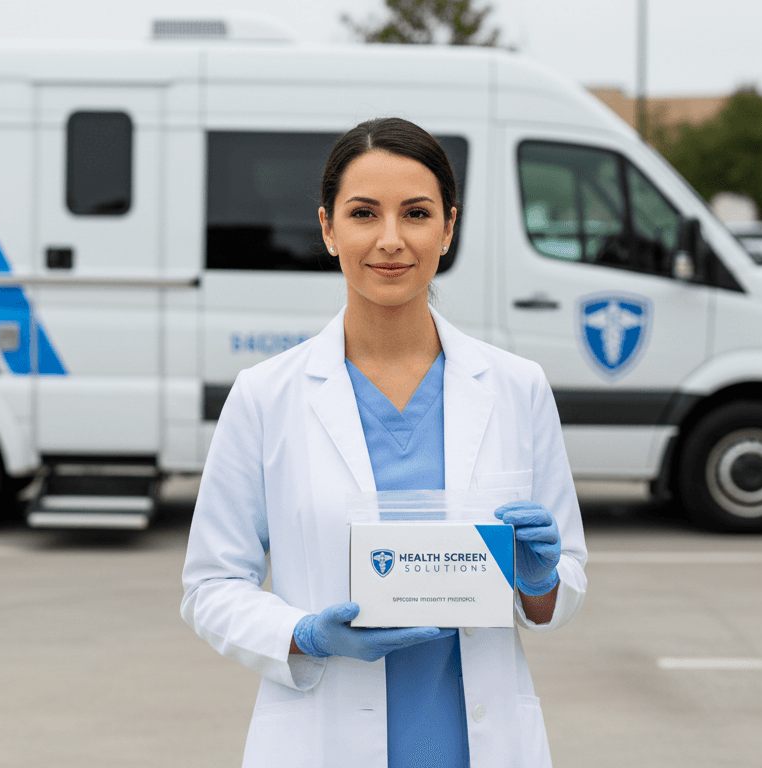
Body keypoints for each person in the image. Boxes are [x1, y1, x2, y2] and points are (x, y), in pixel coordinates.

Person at [181, 117, 587, 768]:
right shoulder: (266, 396)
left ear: (448, 229)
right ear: (328, 229)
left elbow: (559, 589)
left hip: (479, 746)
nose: (391, 240)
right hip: (321, 742)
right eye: (364, 213)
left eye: (417, 214)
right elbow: (210, 586)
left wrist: (539, 578)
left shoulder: (517, 387)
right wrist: (305, 635)